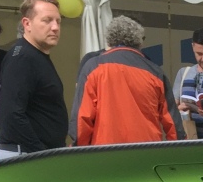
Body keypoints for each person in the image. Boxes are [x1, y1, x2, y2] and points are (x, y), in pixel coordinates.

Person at [0, 0, 77, 182]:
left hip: (36, 158)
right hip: (29, 159)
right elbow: (13, 115)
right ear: (27, 24)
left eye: (58, 22)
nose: (55, 27)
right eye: (47, 20)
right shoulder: (22, 57)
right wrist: (43, 155)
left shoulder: (34, 56)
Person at [71, 16, 181, 146]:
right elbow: (173, 122)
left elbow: (82, 119)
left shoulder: (93, 67)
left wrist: (79, 149)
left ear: (109, 40)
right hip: (147, 151)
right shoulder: (155, 72)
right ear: (139, 42)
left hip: (104, 152)